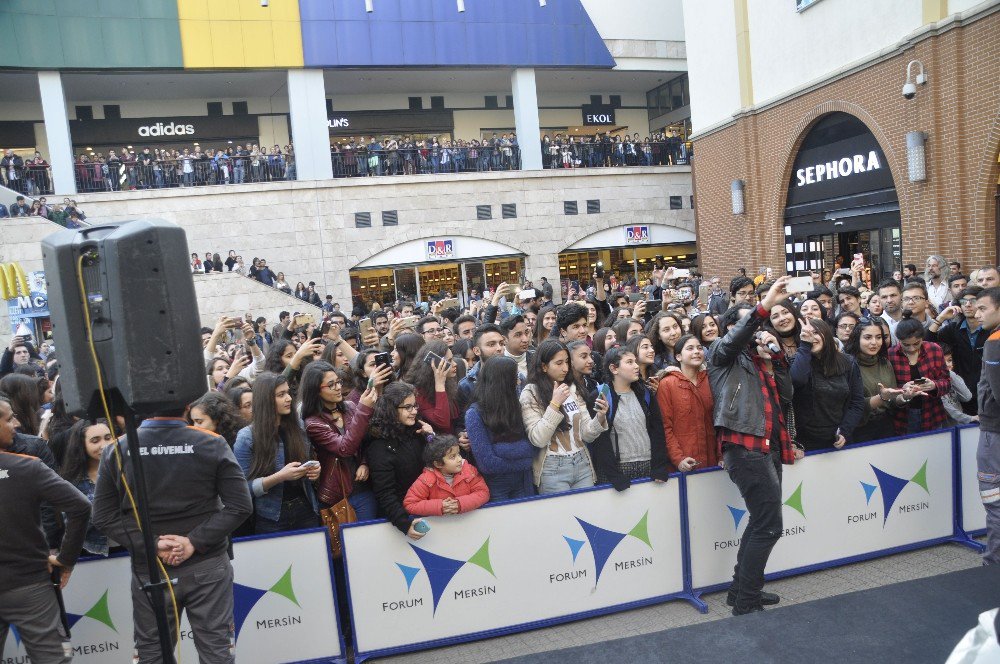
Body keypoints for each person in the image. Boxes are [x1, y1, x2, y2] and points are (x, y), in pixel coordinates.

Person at [92, 406, 252, 663]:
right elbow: (240, 505)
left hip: (155, 569)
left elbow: (103, 516)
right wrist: (192, 542)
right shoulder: (211, 442)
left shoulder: (119, 448)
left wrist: (156, 544)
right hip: (203, 566)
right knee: (217, 653)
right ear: (188, 405)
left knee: (153, 654)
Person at [708, 276, 799, 615]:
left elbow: (789, 396)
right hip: (744, 447)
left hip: (769, 446)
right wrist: (763, 308)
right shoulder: (720, 354)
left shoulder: (762, 361)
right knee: (769, 524)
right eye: (749, 324)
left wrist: (774, 359)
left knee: (762, 521)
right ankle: (746, 601)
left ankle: (742, 590)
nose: (758, 330)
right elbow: (736, 338)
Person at [0, 399, 90, 664]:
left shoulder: (28, 466)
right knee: (53, 659)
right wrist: (66, 560)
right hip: (29, 585)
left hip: (29, 584)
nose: (15, 424)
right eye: (8, 418)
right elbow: (80, 507)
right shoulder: (27, 467)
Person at [233, 372, 321, 533]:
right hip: (271, 516)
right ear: (266, 400)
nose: (288, 398)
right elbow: (242, 489)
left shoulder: (299, 426)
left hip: (306, 508)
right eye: (281, 395)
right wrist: (280, 477)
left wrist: (315, 470)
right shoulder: (247, 437)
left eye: (288, 393)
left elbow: (307, 464)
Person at [520, 340, 607, 494]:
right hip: (553, 467)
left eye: (567, 362)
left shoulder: (572, 387)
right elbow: (538, 438)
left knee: (586, 514)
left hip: (582, 462)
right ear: (544, 366)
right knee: (561, 517)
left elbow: (587, 435)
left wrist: (600, 417)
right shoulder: (530, 393)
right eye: (559, 363)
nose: (565, 368)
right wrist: (554, 404)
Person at [301, 361, 379, 520]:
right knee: (343, 543)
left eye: (338, 382)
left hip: (363, 488)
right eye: (331, 385)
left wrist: (364, 462)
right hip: (336, 494)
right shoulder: (313, 423)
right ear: (315, 390)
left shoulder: (350, 406)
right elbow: (345, 448)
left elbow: (365, 440)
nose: (338, 387)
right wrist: (363, 409)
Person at [588, 346, 669, 490]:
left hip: (648, 466)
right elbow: (600, 441)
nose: (636, 366)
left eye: (635, 362)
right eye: (630, 362)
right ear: (614, 369)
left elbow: (657, 431)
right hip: (617, 471)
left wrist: (659, 467)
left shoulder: (645, 393)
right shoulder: (601, 395)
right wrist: (614, 476)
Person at [366, 382, 433, 539]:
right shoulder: (379, 445)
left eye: (415, 406)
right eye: (407, 407)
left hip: (428, 507)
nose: (414, 411)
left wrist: (431, 438)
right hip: (404, 517)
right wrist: (404, 523)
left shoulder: (418, 432)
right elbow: (385, 493)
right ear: (391, 410)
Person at [465, 357, 535, 501]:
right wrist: (525, 461)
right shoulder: (474, 414)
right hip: (496, 485)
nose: (519, 381)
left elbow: (533, 446)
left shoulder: (517, 404)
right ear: (503, 381)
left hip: (523, 480)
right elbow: (487, 464)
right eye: (514, 377)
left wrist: (500, 450)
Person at [790, 317, 865, 450]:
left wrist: (845, 431)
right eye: (805, 334)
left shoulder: (848, 362)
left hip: (839, 438)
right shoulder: (797, 362)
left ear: (827, 334)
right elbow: (797, 380)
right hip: (805, 441)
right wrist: (805, 346)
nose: (811, 337)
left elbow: (857, 402)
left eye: (815, 333)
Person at [844, 318, 910, 442]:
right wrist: (881, 398)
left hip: (886, 426)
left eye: (878, 337)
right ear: (857, 338)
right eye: (868, 337)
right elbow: (850, 407)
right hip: (859, 429)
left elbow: (892, 400)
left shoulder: (885, 362)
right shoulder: (846, 365)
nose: (874, 342)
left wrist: (905, 396)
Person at [658, 335, 718, 470]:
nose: (696, 351)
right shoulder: (667, 384)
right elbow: (665, 426)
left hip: (713, 460)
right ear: (678, 357)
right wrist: (678, 458)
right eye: (690, 348)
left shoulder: (711, 380)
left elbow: (720, 422)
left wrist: (721, 455)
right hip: (684, 462)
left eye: (699, 348)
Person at [59, 419, 117, 556]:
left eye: (108, 438)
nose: (104, 445)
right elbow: (73, 526)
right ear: (81, 445)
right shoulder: (72, 482)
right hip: (91, 553)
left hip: (129, 547)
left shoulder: (127, 471)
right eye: (95, 441)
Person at [929, 285, 988, 416]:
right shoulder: (953, 329)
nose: (967, 304)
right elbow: (929, 343)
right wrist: (941, 318)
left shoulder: (991, 330)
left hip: (987, 396)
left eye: (973, 301)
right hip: (961, 395)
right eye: (963, 301)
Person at [888, 313, 950, 434]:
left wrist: (934, 385)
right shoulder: (890, 354)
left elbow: (947, 382)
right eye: (906, 344)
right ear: (898, 340)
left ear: (922, 337)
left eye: (916, 343)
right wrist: (903, 391)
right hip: (903, 416)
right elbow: (889, 390)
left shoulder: (934, 349)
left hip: (932, 412)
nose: (911, 348)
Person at [973, 286, 1000, 565]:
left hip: (994, 435)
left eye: (983, 308)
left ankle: (994, 563)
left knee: (995, 504)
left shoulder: (995, 340)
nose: (976, 313)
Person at [403, 435, 490, 516]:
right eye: (453, 457)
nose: (459, 459)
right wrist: (440, 506)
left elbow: (483, 493)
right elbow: (410, 504)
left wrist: (460, 504)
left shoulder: (469, 471)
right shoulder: (426, 480)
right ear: (438, 464)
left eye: (458, 454)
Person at [405, 340, 460, 435]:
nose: (455, 364)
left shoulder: (449, 383)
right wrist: (439, 385)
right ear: (434, 365)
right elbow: (442, 421)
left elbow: (456, 419)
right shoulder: (418, 392)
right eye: (449, 361)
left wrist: (460, 433)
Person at [457, 323, 507, 409]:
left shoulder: (517, 377)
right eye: (491, 344)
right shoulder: (466, 385)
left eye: (501, 343)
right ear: (477, 351)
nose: (499, 348)